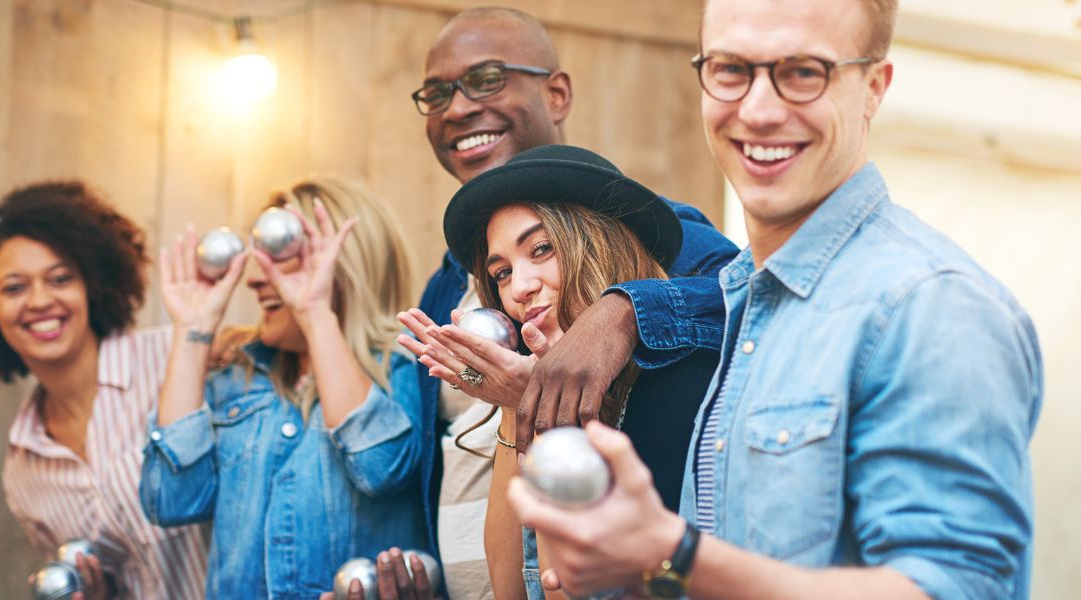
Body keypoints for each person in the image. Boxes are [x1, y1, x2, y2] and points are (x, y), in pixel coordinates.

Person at [507, 1, 1042, 599]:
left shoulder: (932, 305)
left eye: (803, 71)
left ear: (873, 87)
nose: (758, 110)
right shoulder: (746, 296)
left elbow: (952, 588)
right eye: (732, 69)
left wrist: (674, 552)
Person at [387, 7, 739, 600]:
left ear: (556, 94)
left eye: (488, 78)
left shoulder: (656, 234)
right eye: (438, 93)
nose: (458, 107)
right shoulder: (448, 284)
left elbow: (742, 301)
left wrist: (624, 309)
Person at [418, 143, 722, 598]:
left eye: (541, 248)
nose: (520, 287)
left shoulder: (689, 379)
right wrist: (514, 402)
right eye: (501, 273)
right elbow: (511, 587)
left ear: (602, 240)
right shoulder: (542, 382)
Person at [0, 182, 208, 599]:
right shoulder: (23, 472)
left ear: (90, 284)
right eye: (14, 288)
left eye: (60, 278)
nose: (39, 300)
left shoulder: (174, 359)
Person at [138, 175, 430, 597]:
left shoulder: (403, 367)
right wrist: (193, 330)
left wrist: (315, 313)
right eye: (256, 257)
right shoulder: (236, 382)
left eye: (279, 253)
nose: (255, 278)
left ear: (345, 263)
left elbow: (380, 468)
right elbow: (170, 501)